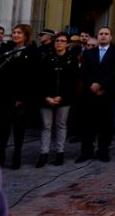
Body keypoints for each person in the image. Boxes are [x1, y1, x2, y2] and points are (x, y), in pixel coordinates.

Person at [0, 24, 35, 169]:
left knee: (18, 131)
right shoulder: (6, 50)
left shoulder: (31, 52)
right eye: (14, 32)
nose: (15, 35)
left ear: (26, 36)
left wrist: (21, 98)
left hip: (20, 100)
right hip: (4, 98)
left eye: (19, 33)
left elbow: (31, 79)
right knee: (3, 130)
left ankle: (17, 157)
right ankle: (1, 156)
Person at [76, 26, 115, 163]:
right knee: (87, 125)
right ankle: (86, 151)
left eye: (106, 34)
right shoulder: (89, 53)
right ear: (97, 36)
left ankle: (103, 151)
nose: (103, 36)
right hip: (89, 93)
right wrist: (93, 84)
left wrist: (101, 85)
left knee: (106, 125)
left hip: (107, 94)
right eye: (101, 34)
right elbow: (83, 71)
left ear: (111, 37)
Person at [36, 32, 79, 167]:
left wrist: (62, 96)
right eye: (57, 41)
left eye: (62, 41)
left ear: (67, 43)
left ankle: (60, 152)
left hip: (64, 98)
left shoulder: (71, 59)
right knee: (46, 126)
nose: (59, 43)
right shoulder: (46, 57)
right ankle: (44, 153)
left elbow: (73, 81)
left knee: (61, 125)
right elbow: (39, 79)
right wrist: (46, 96)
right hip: (46, 98)